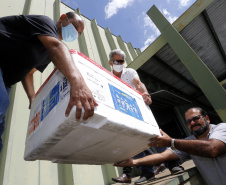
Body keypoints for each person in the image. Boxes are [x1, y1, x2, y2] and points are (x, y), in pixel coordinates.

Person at [0, 12, 98, 153]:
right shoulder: (45, 22)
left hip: (5, 81)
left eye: (79, 33)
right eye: (75, 27)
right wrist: (77, 81)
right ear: (63, 18)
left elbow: (29, 72)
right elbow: (56, 46)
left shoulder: (46, 54)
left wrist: (32, 97)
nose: (76, 33)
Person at [114, 107, 226, 185]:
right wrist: (134, 162)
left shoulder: (222, 128)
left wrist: (171, 142)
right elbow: (163, 156)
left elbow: (213, 148)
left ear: (207, 119)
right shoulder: (190, 143)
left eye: (196, 118)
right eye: (188, 122)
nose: (192, 123)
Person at [109, 49, 154, 184]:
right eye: (117, 61)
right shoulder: (108, 76)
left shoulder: (129, 72)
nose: (120, 63)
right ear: (110, 62)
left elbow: (138, 84)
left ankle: (165, 163)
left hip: (136, 109)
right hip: (122, 111)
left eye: (122, 61)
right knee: (126, 140)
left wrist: (145, 93)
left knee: (149, 137)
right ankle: (127, 174)